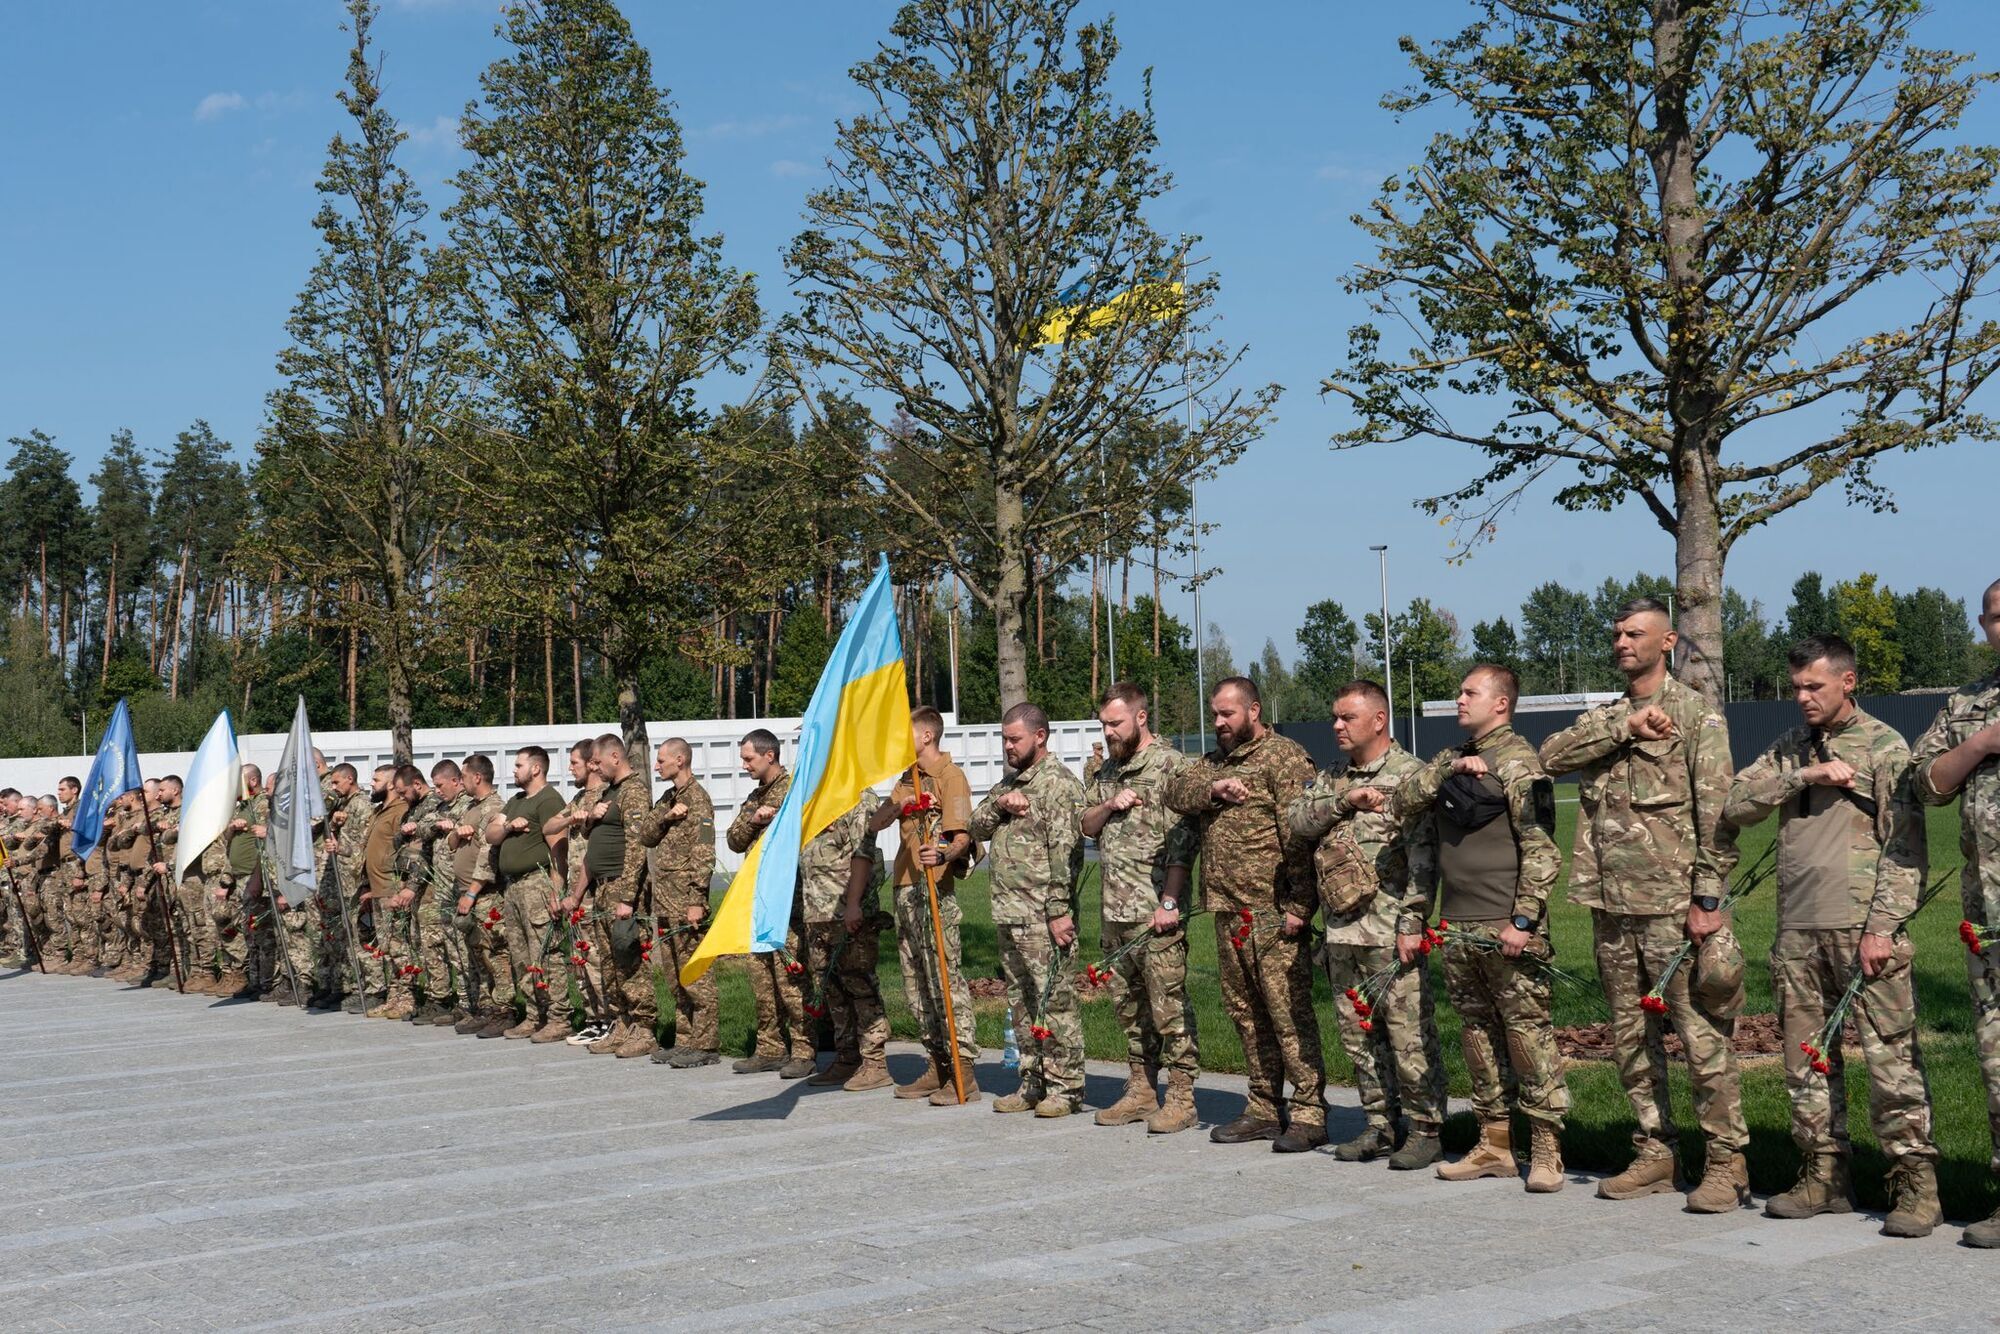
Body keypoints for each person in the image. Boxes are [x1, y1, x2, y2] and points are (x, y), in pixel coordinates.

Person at [1721, 633, 1939, 1236]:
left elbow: (1906, 844)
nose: (1803, 697)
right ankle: (1824, 1177)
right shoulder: (1791, 747)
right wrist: (1805, 775)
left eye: (1814, 686)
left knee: (1890, 1061)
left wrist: (1883, 927)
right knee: (1805, 1062)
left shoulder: (1884, 746)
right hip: (1798, 928)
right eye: (1795, 688)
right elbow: (1734, 803)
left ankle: (1916, 1182)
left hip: (1862, 928)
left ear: (1847, 682)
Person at [1540, 597, 1749, 1212]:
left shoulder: (1696, 715)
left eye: (1636, 633)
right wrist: (1624, 728)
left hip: (1674, 908)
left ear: (1668, 642)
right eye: (1617, 634)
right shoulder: (1606, 719)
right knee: (1631, 1038)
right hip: (1611, 906)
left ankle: (1725, 1161)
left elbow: (1719, 817)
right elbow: (1549, 758)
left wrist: (1707, 899)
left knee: (1701, 1035)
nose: (1622, 643)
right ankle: (1655, 1152)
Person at [1356, 666, 1568, 1191]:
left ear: (1501, 704)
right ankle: (1494, 1144)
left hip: (1508, 930)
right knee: (1477, 1038)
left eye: (1470, 691)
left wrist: (1523, 921)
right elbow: (1403, 799)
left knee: (1527, 1038)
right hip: (1460, 929)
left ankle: (1546, 1149)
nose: (1459, 698)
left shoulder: (1520, 763)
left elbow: (1542, 849)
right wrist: (1450, 769)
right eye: (1460, 690)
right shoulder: (1449, 760)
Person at [1287, 679, 1446, 1167]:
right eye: (1334, 717)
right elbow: (1296, 820)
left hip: (1388, 930)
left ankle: (1426, 1128)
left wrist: (1412, 923)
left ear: (1379, 720)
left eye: (1347, 717)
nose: (1336, 725)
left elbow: (1424, 858)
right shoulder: (1333, 777)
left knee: (1408, 1035)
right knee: (1358, 1036)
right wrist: (1344, 802)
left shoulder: (1408, 776)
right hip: (1341, 932)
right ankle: (1379, 1124)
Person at [1166, 677, 1326, 1152]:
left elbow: (1299, 836)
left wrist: (1300, 905)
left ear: (1254, 711)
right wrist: (1215, 788)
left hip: (1273, 912)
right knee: (1246, 1015)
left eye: (1227, 714)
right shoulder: (1216, 763)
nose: (1218, 723)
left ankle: (1310, 1111)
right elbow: (1175, 792)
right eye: (1214, 714)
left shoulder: (1284, 757)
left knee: (1287, 1015)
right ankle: (1262, 1107)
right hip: (1228, 910)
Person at [1909, 576, 2000, 1249]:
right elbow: (1926, 782)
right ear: (1982, 624)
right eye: (1997, 617)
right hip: (1988, 918)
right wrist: (1981, 744)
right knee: (1997, 1056)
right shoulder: (1968, 705)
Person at [1082, 682, 1201, 1134]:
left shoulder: (1170, 766)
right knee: (1129, 1008)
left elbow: (1183, 843)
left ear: (1141, 717)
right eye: (1104, 724)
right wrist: (1110, 803)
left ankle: (1183, 1097)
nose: (1109, 731)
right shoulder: (1107, 770)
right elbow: (1086, 825)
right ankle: (1141, 1089)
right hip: (1115, 911)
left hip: (1156, 913)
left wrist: (1169, 902)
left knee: (1168, 1008)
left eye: (1115, 723)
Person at [970, 702, 1087, 1117]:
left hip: (1042, 916)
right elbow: (975, 824)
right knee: (1021, 1002)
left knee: (1054, 1002)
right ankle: (1032, 1080)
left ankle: (1066, 1086)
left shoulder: (1059, 786)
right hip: (1008, 913)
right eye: (1004, 739)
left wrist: (1058, 911)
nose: (1007, 746)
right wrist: (1001, 805)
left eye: (1014, 738)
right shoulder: (1009, 783)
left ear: (1040, 736)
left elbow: (1066, 856)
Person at [870, 705, 981, 1104]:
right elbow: (876, 823)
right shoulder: (907, 779)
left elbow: (962, 836)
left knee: (944, 978)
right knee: (916, 982)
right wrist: (899, 805)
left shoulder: (951, 778)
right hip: (905, 887)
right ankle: (937, 1064)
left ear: (928, 736)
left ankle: (962, 1069)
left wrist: (946, 854)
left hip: (935, 889)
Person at [725, 729, 814, 1078]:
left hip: (787, 900)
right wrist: (754, 819)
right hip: (758, 900)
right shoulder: (754, 796)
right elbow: (733, 839)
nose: (744, 765)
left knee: (791, 978)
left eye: (749, 759)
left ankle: (805, 1050)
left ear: (770, 756)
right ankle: (770, 1048)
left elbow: (806, 829)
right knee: (761, 978)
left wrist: (778, 817)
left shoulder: (794, 791)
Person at [633, 738, 720, 1067]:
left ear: (680, 760)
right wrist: (666, 817)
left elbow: (705, 851)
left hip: (686, 902)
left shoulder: (698, 799)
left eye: (661, 761)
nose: (656, 766)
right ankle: (685, 1040)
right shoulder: (669, 799)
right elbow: (645, 835)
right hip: (664, 902)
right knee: (673, 976)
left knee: (696, 975)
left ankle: (706, 1044)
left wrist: (697, 899)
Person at [800, 794, 892, 1090]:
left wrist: (856, 905)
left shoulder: (859, 798)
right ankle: (847, 1058)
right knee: (833, 991)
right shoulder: (816, 799)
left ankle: (875, 1062)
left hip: (847, 913)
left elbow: (863, 854)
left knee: (860, 986)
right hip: (818, 912)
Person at [581, 735, 656, 1058]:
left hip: (622, 889)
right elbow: (588, 834)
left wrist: (627, 896)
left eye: (597, 762)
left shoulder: (634, 791)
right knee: (609, 963)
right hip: (602, 887)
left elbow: (638, 846)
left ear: (615, 756)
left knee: (629, 960)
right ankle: (621, 1022)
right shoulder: (606, 792)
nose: (593, 767)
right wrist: (590, 818)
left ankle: (645, 1026)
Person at [490, 747, 571, 1042]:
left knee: (546, 952)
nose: (513, 770)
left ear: (536, 768)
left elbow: (558, 848)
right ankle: (535, 1016)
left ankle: (559, 1017)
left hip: (537, 884)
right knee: (522, 956)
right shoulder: (515, 801)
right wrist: (509, 826)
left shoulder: (548, 799)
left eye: (519, 765)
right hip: (513, 888)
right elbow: (491, 834)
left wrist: (556, 890)